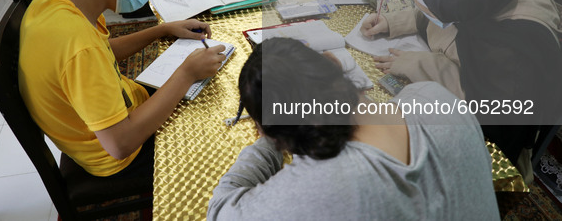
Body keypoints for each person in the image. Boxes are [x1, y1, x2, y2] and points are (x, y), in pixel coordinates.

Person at [18, 0, 226, 181]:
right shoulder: (78, 45)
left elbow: (101, 52)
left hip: (114, 114)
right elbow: (119, 144)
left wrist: (162, 30)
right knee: (222, 132)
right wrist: (187, 73)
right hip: (119, 154)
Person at [207, 38, 500, 220]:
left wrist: (270, 137)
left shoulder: (315, 188)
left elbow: (220, 210)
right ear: (333, 63)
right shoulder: (433, 96)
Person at [361, 0, 562, 175]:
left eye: (429, 7)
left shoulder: (511, 50)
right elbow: (431, 12)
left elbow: (483, 104)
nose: (429, 13)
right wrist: (390, 22)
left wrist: (418, 64)